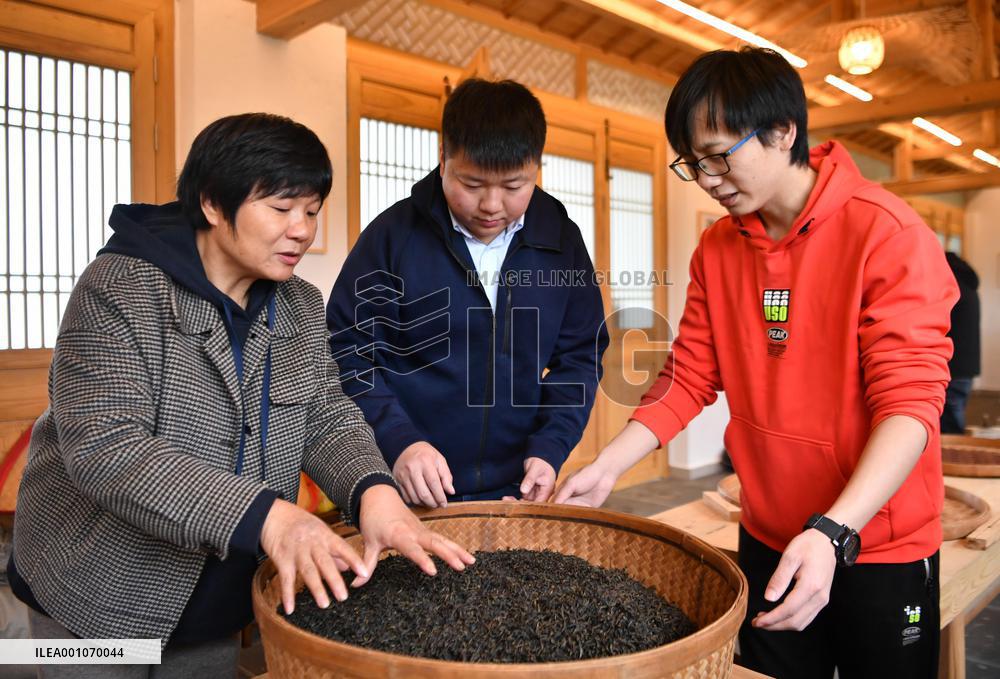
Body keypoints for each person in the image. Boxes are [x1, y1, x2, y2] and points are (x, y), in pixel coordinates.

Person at [8, 113, 474, 677]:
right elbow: (108, 451)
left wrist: (374, 493)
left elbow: (325, 415)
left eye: (311, 211)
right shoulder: (120, 290)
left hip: (217, 591)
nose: (303, 230)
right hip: (94, 588)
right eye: (281, 209)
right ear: (212, 203)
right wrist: (274, 519)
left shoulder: (298, 305)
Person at [554, 48, 958, 679]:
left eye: (720, 155)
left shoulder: (887, 234)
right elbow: (688, 375)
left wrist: (833, 533)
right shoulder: (718, 247)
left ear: (782, 131)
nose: (709, 178)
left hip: (874, 545)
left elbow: (909, 408)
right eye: (694, 163)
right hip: (768, 532)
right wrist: (606, 467)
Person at [327, 78, 608, 508]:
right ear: (443, 161)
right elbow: (348, 351)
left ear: (536, 168)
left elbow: (579, 358)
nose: (492, 205)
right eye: (473, 184)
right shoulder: (393, 238)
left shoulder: (561, 242)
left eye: (514, 186)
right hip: (405, 486)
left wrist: (551, 447)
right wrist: (399, 442)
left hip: (515, 490)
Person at [941, 250, 981, 434]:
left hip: (953, 366)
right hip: (967, 368)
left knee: (950, 426)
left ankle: (951, 462)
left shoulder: (951, 286)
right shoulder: (969, 286)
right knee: (955, 416)